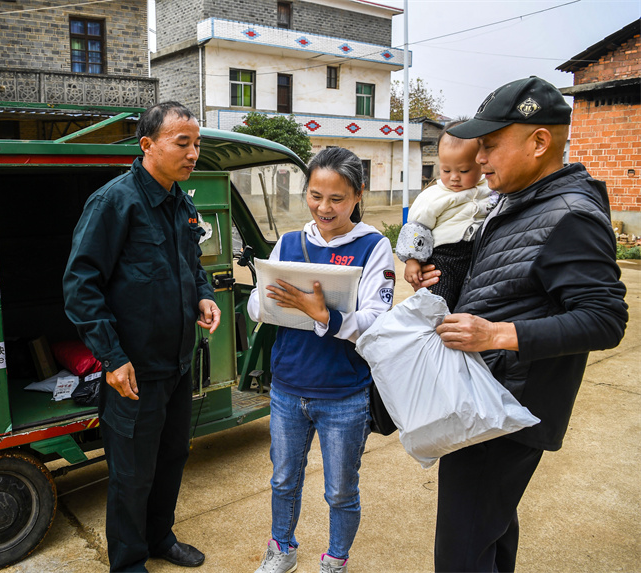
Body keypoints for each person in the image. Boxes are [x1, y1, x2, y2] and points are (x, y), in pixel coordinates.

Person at [422, 76, 628, 572]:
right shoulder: (517, 200)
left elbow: (605, 318)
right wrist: (441, 272)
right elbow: (503, 277)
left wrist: (495, 335)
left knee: (462, 554)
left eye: (490, 146)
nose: (480, 159)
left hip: (507, 410)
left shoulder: (569, 215)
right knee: (488, 533)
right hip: (488, 398)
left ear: (538, 142)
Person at [63, 101, 221, 572]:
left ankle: (159, 539)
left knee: (171, 457)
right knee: (131, 475)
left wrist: (203, 297)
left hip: (175, 363)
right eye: (183, 143)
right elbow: (80, 285)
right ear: (148, 145)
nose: (193, 153)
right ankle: (129, 563)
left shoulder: (181, 202)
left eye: (197, 144)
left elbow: (191, 268)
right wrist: (111, 358)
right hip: (133, 370)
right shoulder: (115, 202)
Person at [247, 147, 396, 573]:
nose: (323, 208)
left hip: (344, 394)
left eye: (336, 198)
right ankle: (282, 550)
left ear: (357, 195)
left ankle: (335, 560)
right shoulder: (290, 243)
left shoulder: (373, 246)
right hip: (288, 388)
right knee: (283, 479)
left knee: (340, 489)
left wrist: (323, 316)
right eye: (315, 195)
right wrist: (269, 303)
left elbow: (375, 320)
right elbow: (257, 304)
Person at [396, 120, 497, 310]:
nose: (454, 177)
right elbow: (416, 228)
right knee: (438, 302)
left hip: (478, 255)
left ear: (481, 163)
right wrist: (412, 260)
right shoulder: (433, 196)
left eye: (464, 170)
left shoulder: (488, 189)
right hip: (444, 260)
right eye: (446, 170)